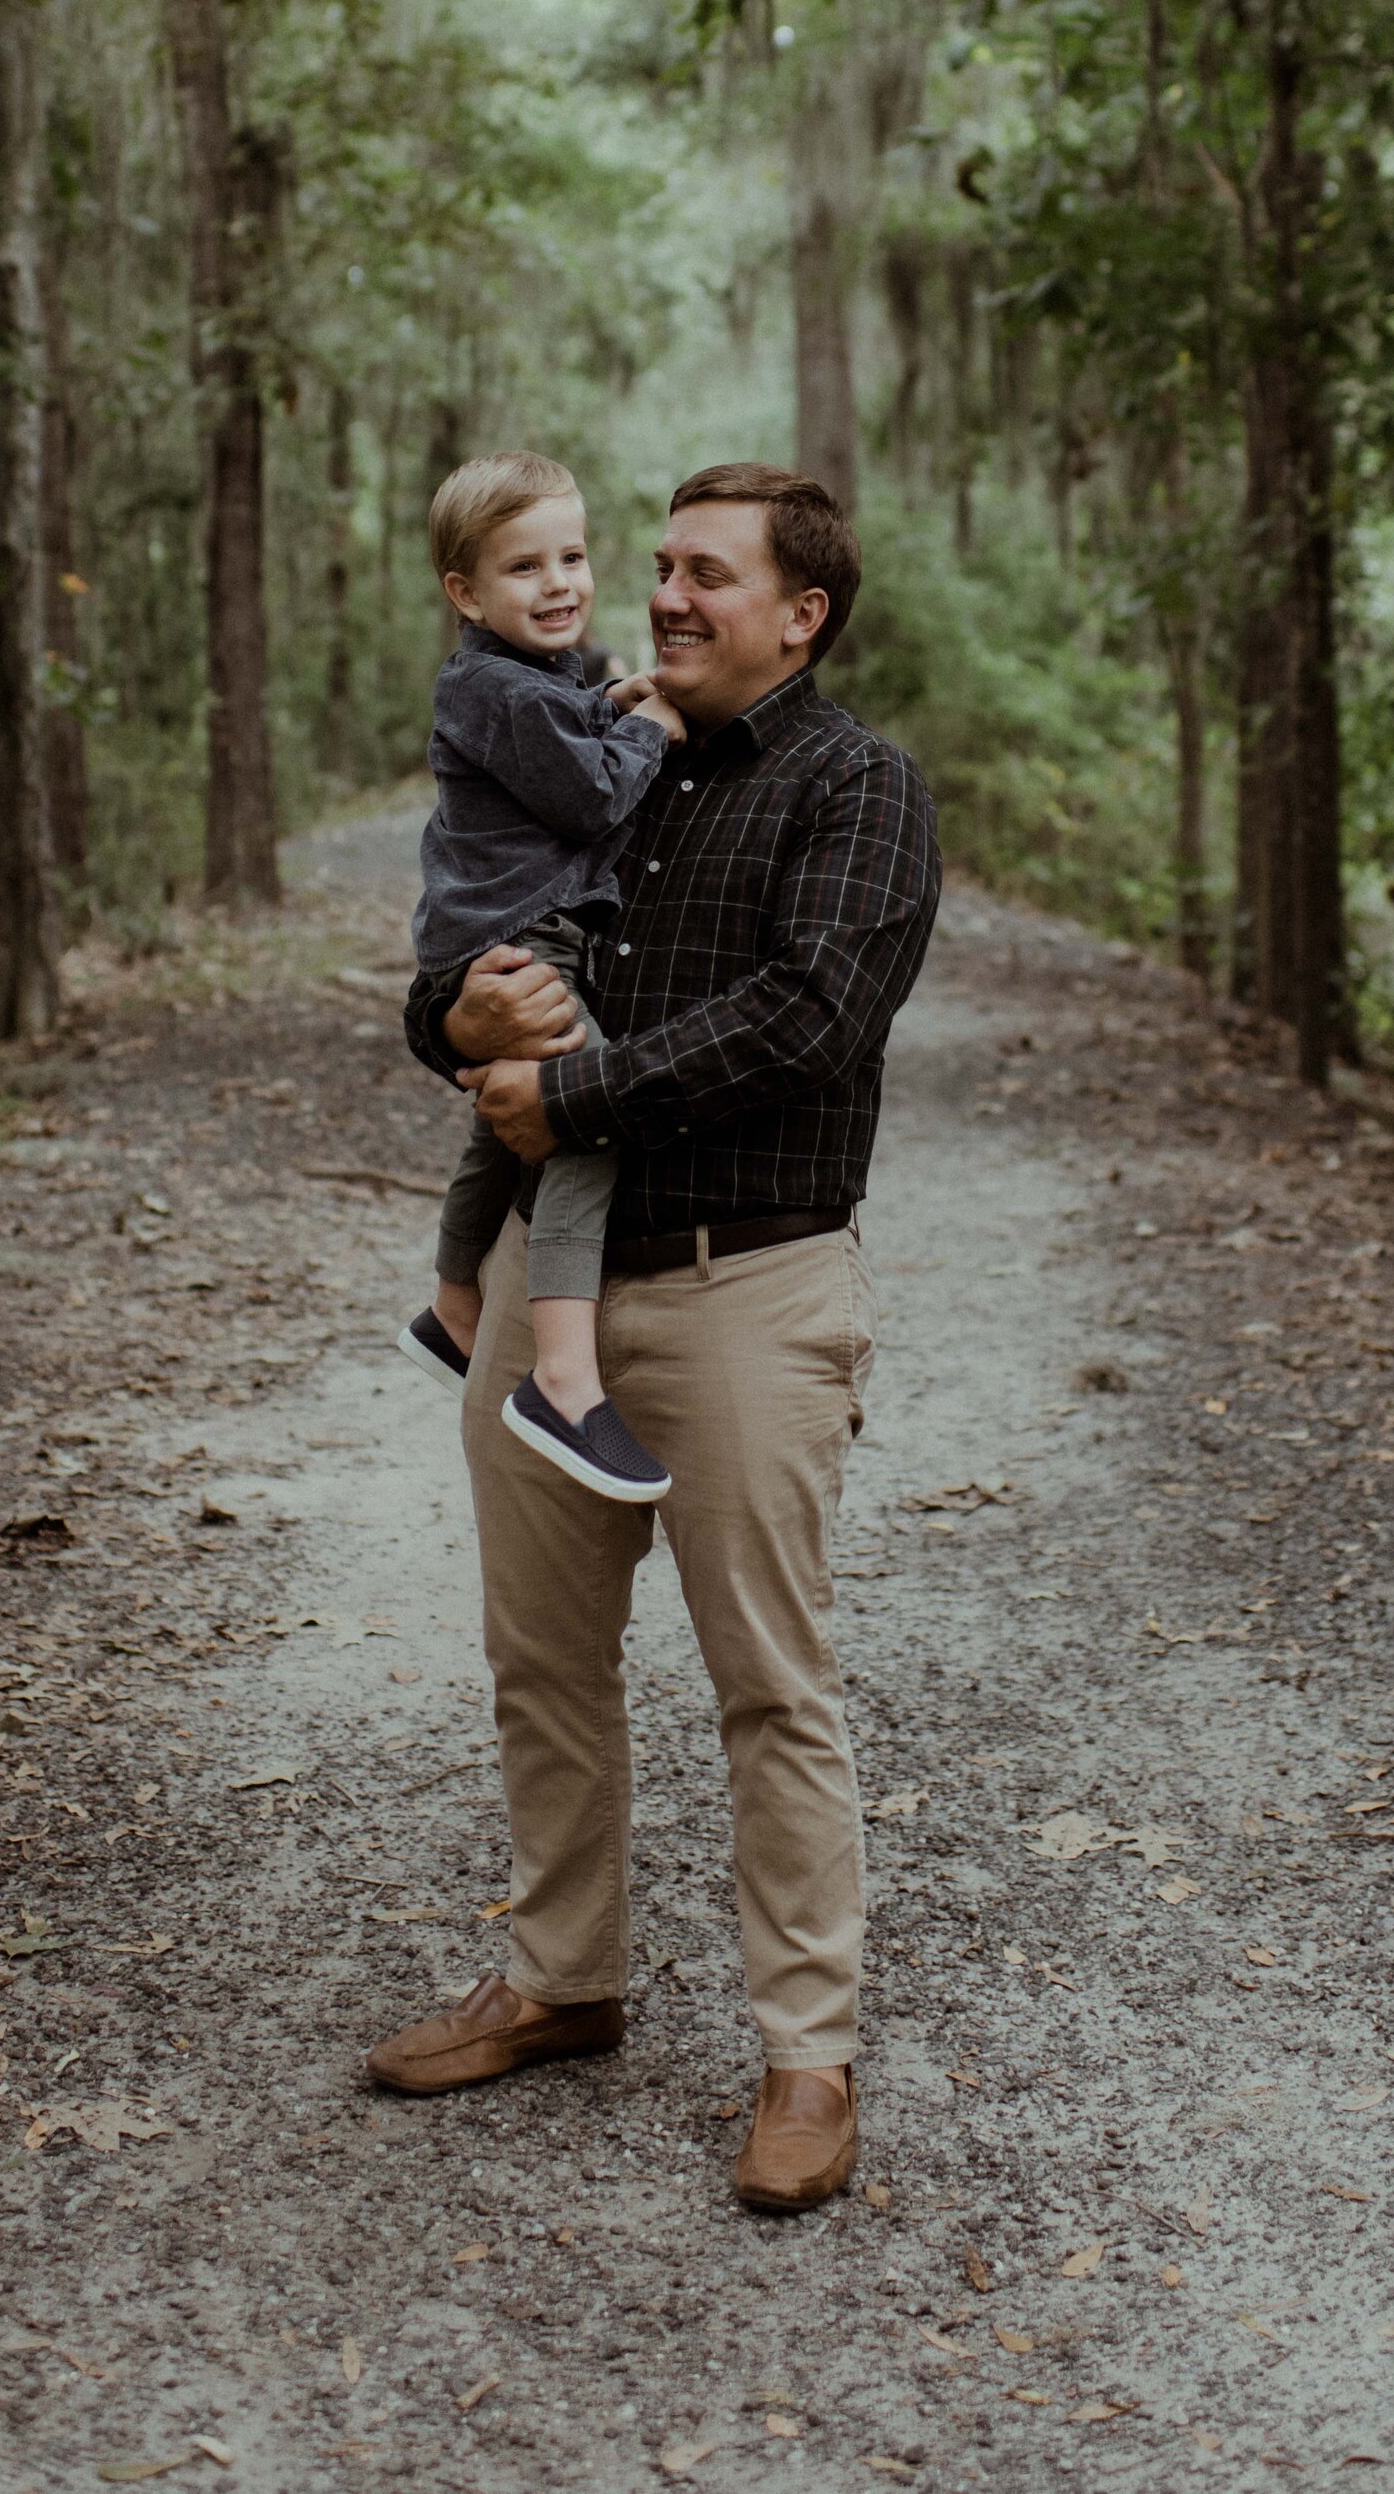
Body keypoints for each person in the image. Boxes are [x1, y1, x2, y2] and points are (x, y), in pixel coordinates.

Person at [368, 464, 941, 2215]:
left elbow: (814, 1014)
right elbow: (464, 981)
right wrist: (456, 1017)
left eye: (706, 575)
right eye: (662, 567)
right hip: (564, 1285)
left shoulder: (859, 789)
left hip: (748, 1291)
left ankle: (808, 2053)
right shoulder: (599, 755)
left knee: (772, 1684)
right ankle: (563, 1979)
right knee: (541, 1664)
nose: (664, 599)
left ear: (800, 614)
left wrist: (577, 1086)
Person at [398, 453, 683, 1502]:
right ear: (465, 592)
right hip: (524, 939)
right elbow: (589, 798)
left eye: (572, 555)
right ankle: (563, 1376)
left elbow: (563, 742)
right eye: (525, 566)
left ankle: (454, 1306)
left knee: (501, 1117)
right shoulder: (496, 686)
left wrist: (612, 703)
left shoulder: (522, 679)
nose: (559, 581)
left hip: (507, 931)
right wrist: (647, 727)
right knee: (582, 1113)